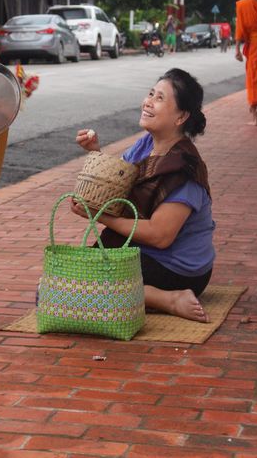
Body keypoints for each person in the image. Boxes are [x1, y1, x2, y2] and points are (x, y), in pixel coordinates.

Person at [72, 68, 215, 323]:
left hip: (179, 269)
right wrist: (95, 152)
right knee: (73, 280)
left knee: (83, 288)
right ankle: (148, 294)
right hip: (144, 252)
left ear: (181, 116)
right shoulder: (147, 144)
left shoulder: (185, 170)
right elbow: (119, 183)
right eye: (151, 93)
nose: (147, 102)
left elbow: (160, 236)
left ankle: (168, 299)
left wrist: (100, 216)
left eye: (159, 98)